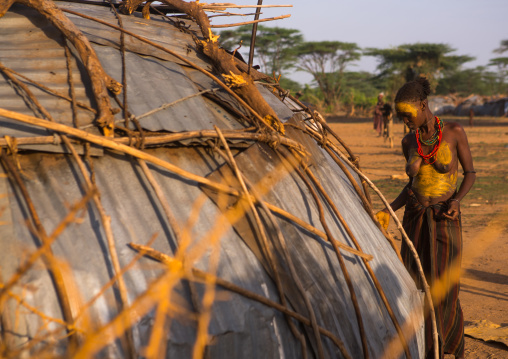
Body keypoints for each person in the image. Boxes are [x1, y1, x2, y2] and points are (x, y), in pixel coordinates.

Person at [375, 76, 476, 359]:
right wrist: (388, 209)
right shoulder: (409, 140)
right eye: (400, 115)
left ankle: (447, 347)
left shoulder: (454, 132)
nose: (403, 120)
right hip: (415, 217)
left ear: (422, 105)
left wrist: (456, 200)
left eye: (407, 114)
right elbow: (412, 187)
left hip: (445, 218)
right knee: (415, 284)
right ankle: (423, 345)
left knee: (446, 285)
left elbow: (471, 174)